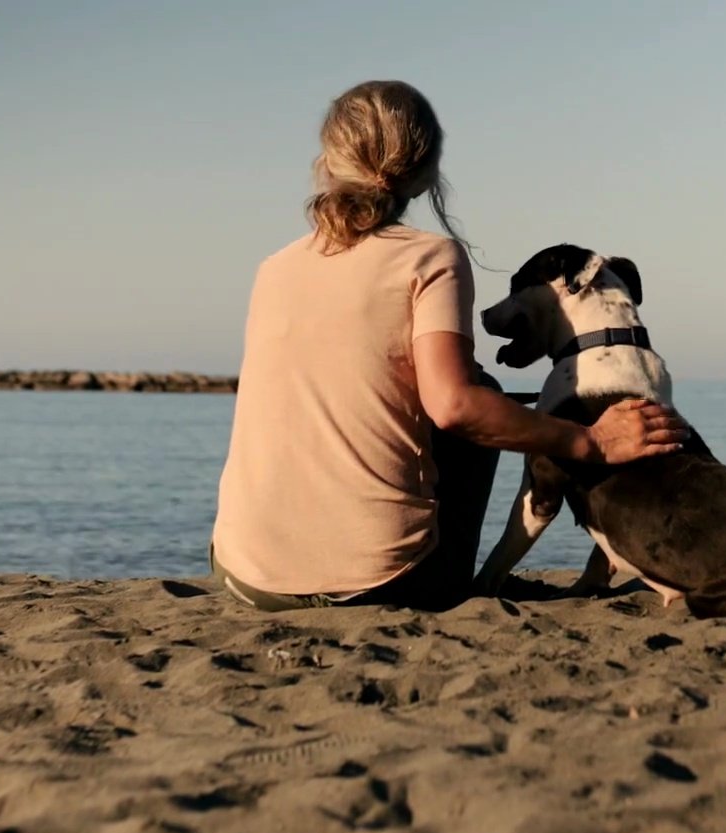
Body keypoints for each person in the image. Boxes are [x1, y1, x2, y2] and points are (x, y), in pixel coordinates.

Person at [210, 80, 688, 612]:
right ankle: (456, 571)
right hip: (378, 584)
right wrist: (591, 442)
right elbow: (454, 407)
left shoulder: (273, 269)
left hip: (242, 574)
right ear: (428, 170)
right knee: (477, 392)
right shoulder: (431, 256)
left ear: (329, 160)